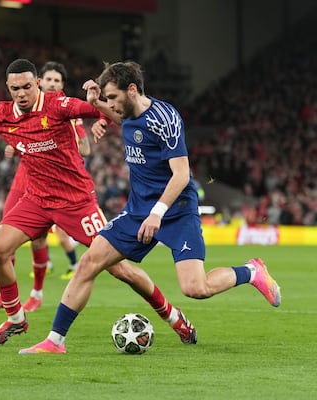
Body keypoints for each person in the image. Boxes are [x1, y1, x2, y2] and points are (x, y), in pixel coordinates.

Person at [0, 58, 195, 347]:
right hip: (36, 199)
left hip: (76, 201)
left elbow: (112, 110)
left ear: (37, 84)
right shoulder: (0, 116)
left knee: (117, 268)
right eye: (15, 89)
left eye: (27, 87)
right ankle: (15, 318)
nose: (21, 94)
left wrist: (99, 114)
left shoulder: (58, 106)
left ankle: (173, 316)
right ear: (8, 88)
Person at [19, 61, 281, 354]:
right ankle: (55, 341)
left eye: (113, 98)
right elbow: (121, 119)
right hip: (137, 210)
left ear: (132, 90)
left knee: (195, 288)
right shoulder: (126, 112)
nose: (111, 105)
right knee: (89, 263)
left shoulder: (165, 118)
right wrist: (96, 105)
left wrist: (157, 213)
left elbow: (182, 174)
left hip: (176, 209)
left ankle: (251, 271)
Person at [0, 61, 91, 314]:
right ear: (41, 82)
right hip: (24, 178)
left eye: (57, 82)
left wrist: (67, 134)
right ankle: (4, 294)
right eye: (48, 80)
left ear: (61, 87)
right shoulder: (24, 110)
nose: (52, 84)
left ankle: (37, 293)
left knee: (40, 240)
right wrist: (17, 144)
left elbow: (85, 149)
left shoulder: (66, 112)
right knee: (3, 236)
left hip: (55, 183)